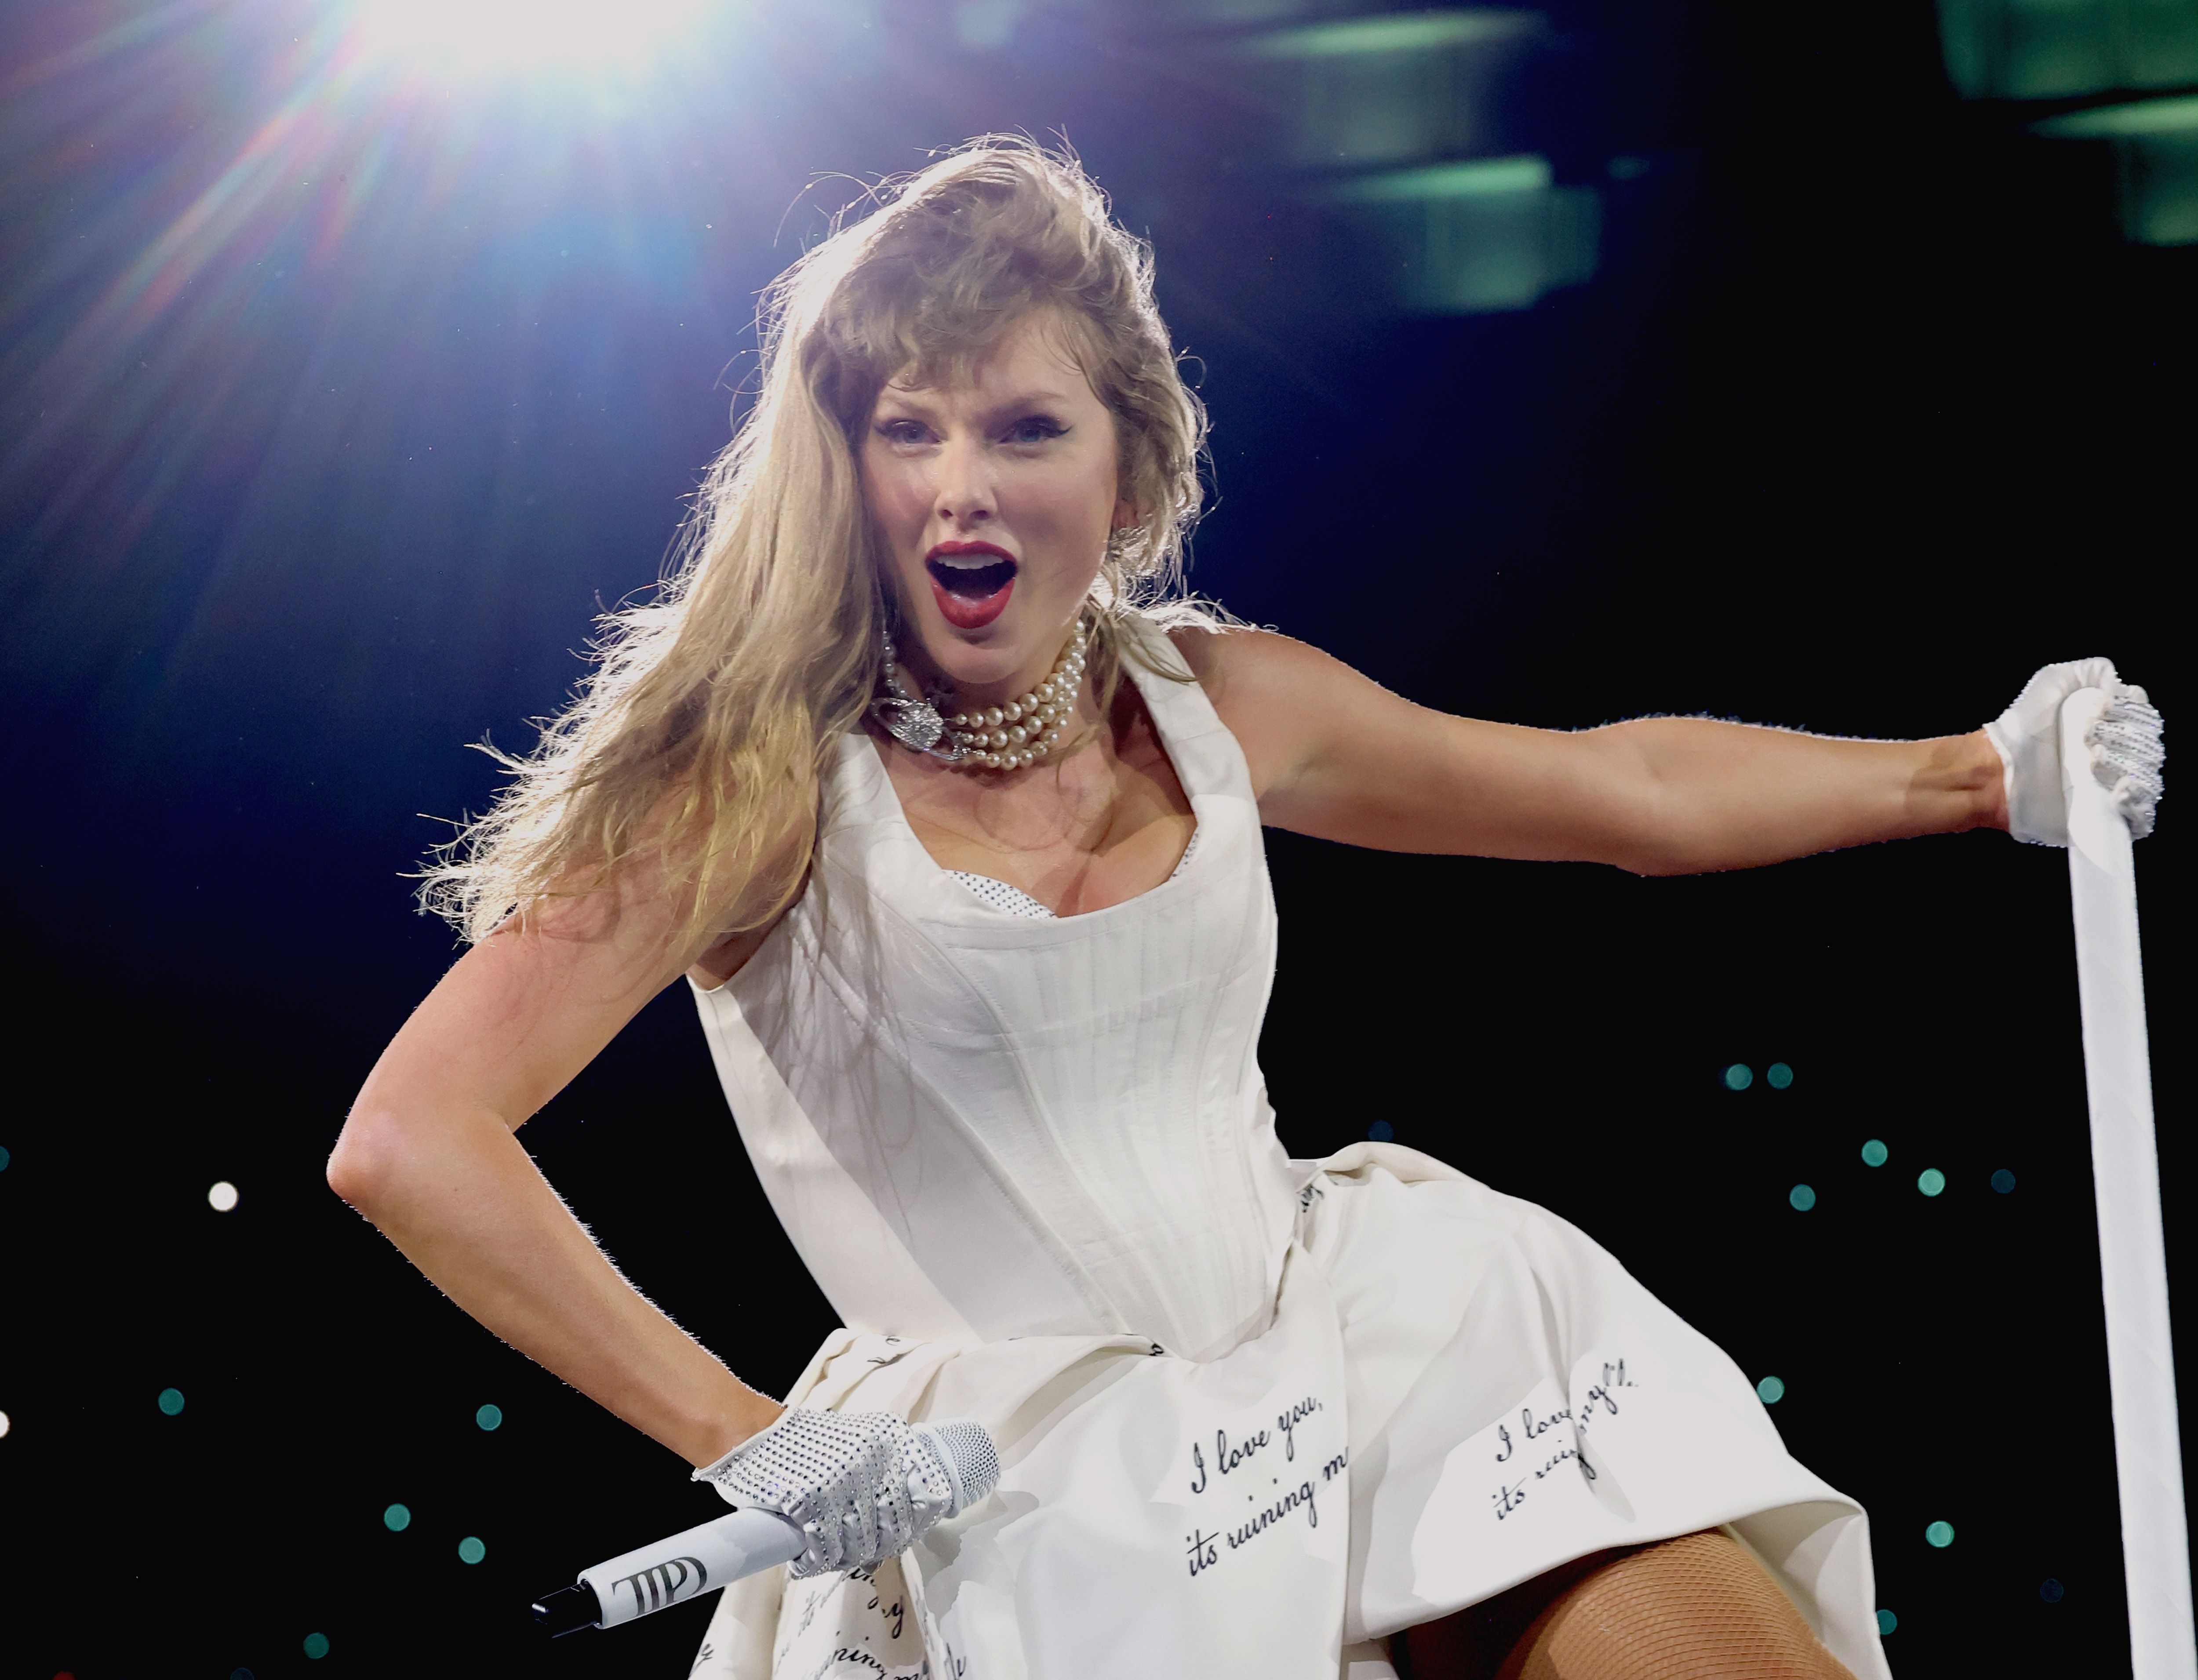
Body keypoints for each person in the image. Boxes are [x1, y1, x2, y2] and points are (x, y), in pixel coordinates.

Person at [328, 139, 2164, 1680]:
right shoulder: (759, 784)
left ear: (1123, 476)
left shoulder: (1222, 700)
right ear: (847, 471)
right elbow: (410, 1138)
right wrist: (755, 1442)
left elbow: (1622, 794)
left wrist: (1975, 774)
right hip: (1030, 1503)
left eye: (1023, 428)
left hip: (1372, 1349)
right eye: (908, 430)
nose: (960, 485)